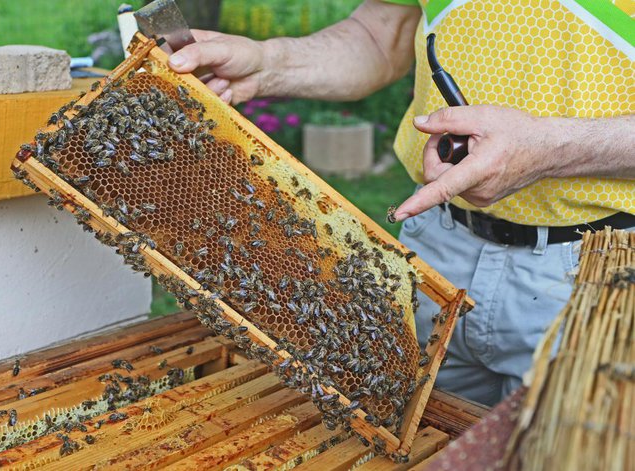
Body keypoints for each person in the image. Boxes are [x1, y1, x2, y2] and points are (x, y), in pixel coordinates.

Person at [168, 0, 635, 406]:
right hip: (436, 246)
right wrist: (268, 62)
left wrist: (552, 149)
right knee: (410, 436)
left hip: (598, 267)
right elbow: (379, 34)